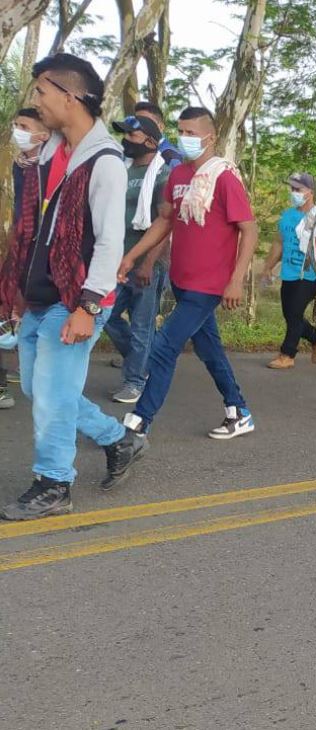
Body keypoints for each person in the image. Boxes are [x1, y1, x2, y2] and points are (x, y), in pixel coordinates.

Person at [0, 54, 142, 520]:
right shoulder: (48, 153)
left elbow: (108, 241)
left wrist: (88, 305)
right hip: (39, 294)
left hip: (75, 297)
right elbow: (32, 228)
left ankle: (54, 484)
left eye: (41, 91)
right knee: (38, 392)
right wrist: (19, 286)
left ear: (70, 96)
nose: (35, 101)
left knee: (54, 398)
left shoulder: (105, 162)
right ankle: (118, 438)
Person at [117, 105, 259, 443]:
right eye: (180, 132)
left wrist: (236, 279)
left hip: (209, 285)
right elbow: (164, 222)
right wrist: (132, 257)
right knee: (210, 350)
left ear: (211, 137)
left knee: (164, 348)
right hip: (181, 280)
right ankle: (238, 411)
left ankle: (138, 423)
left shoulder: (223, 177)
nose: (184, 139)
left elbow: (249, 230)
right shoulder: (178, 175)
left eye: (191, 133)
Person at [104, 112, 171, 404]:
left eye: (131, 135)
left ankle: (135, 381)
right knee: (105, 315)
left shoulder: (162, 174)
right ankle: (144, 363)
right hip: (116, 260)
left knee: (143, 324)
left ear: (150, 141)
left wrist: (147, 262)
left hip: (146, 263)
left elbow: (165, 224)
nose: (126, 140)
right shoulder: (122, 169)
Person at [2, 108, 52, 410]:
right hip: (20, 243)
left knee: (36, 310)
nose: (17, 130)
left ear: (43, 135)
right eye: (15, 124)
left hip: (41, 249)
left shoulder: (51, 167)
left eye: (24, 126)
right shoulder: (20, 165)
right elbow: (22, 209)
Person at [261, 172, 316, 369]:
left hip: (308, 274)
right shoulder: (288, 216)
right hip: (288, 273)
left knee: (295, 312)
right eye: (292, 189)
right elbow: (279, 243)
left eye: (298, 189)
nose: (294, 193)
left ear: (310, 192)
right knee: (290, 315)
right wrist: (268, 267)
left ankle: (287, 354)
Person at [132, 100, 183, 169]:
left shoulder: (171, 158)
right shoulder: (132, 154)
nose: (140, 127)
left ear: (161, 127)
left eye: (146, 122)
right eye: (137, 123)